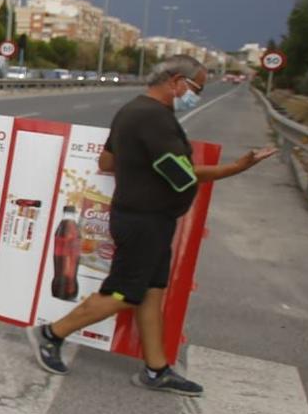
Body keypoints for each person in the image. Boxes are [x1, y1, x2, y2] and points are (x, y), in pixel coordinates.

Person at [29, 55, 276, 394]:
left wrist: (139, 169)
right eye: (196, 88)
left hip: (150, 219)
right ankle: (50, 333)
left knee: (151, 294)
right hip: (142, 221)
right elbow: (181, 175)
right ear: (176, 81)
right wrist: (237, 167)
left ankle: (157, 369)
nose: (197, 96)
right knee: (122, 294)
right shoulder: (154, 118)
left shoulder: (132, 110)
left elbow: (108, 160)